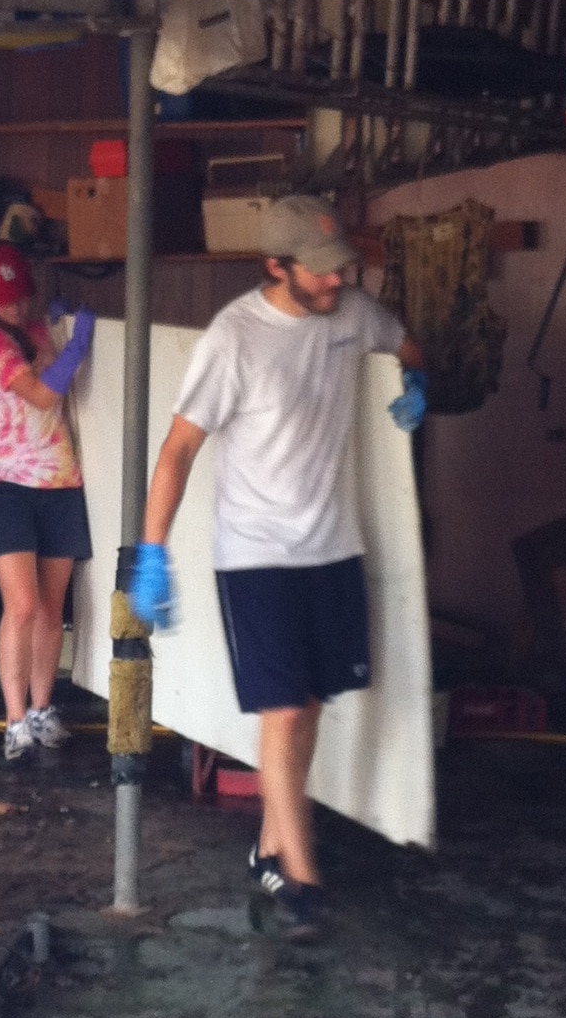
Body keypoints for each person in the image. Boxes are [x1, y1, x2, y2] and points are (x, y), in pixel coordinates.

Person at [129, 195, 425, 940]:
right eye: (322, 271)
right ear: (276, 266)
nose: (338, 281)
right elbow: (179, 449)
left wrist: (415, 382)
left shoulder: (352, 314)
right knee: (283, 712)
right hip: (256, 555)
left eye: (342, 267)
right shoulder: (235, 337)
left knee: (311, 706)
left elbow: (407, 343)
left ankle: (268, 847)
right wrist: (152, 551)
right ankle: (303, 881)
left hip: (333, 547)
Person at [0, 243, 95, 762]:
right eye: (5, 298)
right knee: (21, 605)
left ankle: (41, 709)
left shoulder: (37, 330)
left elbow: (47, 359)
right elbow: (42, 395)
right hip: (1, 485)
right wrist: (77, 347)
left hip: (58, 482)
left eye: (22, 295)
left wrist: (58, 333)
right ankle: (14, 720)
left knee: (50, 609)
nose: (16, 306)